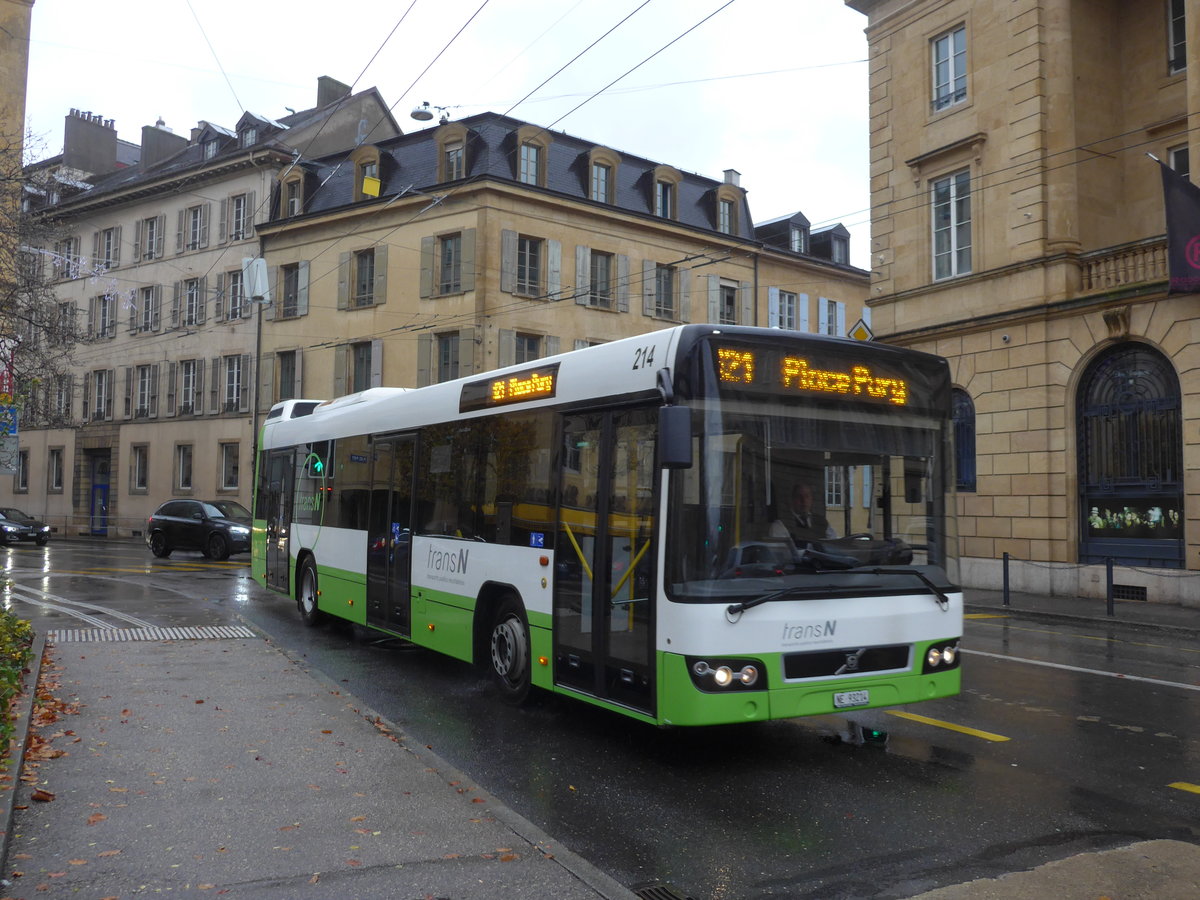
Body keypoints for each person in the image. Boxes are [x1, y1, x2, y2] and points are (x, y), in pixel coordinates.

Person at [769, 481, 835, 544]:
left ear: (811, 499)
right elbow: (781, 552)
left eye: (807, 496)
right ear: (792, 499)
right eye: (799, 496)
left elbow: (833, 545)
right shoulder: (780, 524)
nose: (804, 500)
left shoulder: (822, 522)